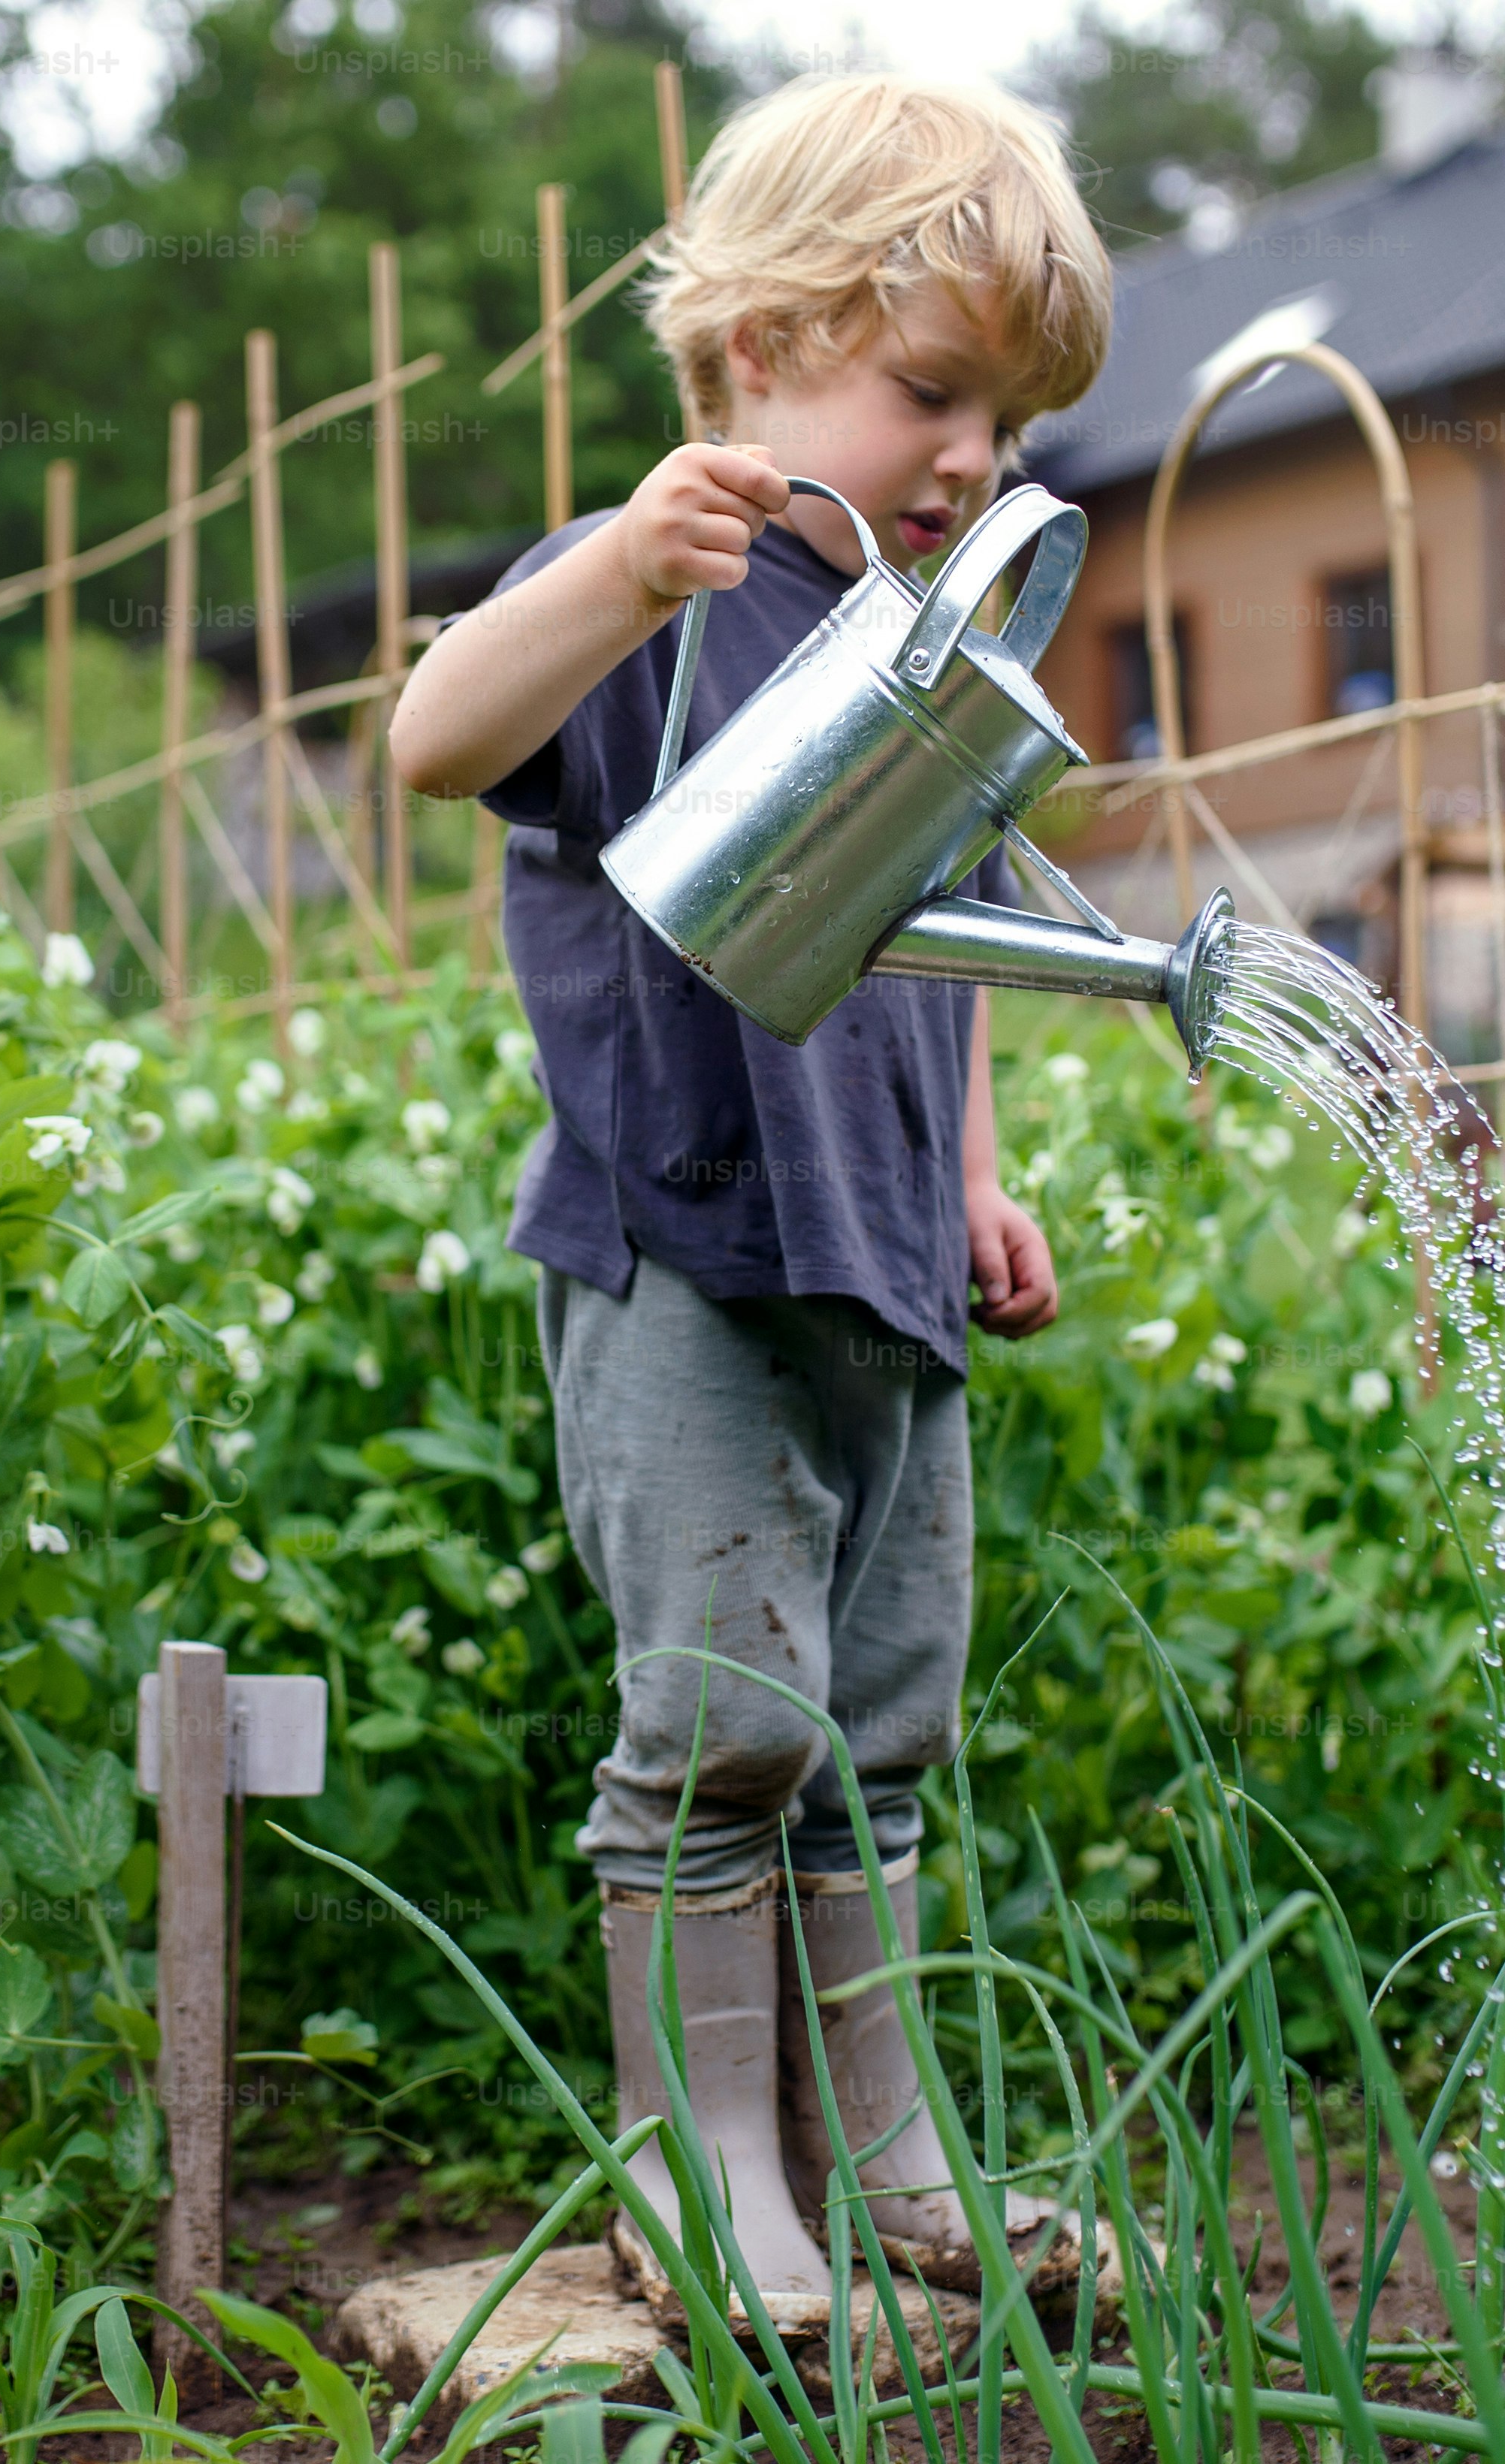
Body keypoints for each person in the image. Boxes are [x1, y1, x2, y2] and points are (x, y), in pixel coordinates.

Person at [388, 71, 1111, 2333]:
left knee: (877, 1730)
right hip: (689, 1259)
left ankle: (885, 2155)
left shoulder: (928, 652)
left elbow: (958, 948)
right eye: (935, 394)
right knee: (722, 1729)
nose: (976, 456)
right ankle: (692, 2174)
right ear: (760, 346)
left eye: (1009, 412)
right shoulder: (667, 606)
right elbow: (429, 734)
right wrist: (613, 563)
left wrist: (980, 1176)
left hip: (885, 1269)